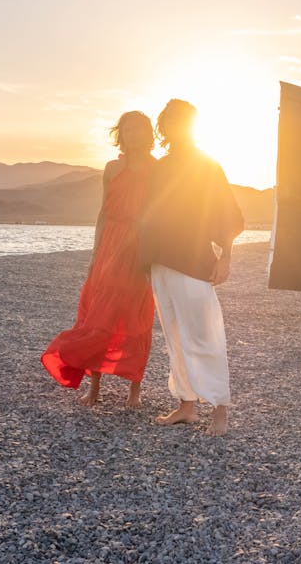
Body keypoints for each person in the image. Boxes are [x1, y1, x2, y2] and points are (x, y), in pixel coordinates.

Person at [138, 99, 244, 435]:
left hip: (193, 261)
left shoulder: (207, 166)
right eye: (169, 122)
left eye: (181, 121)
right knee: (174, 336)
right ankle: (186, 405)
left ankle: (220, 409)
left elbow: (227, 214)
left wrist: (225, 256)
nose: (174, 127)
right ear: (164, 127)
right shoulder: (160, 167)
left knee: (204, 335)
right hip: (160, 261)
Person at [41, 111, 156, 408]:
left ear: (148, 134)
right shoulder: (112, 168)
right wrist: (96, 254)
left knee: (136, 316)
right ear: (122, 134)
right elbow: (104, 213)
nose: (134, 135)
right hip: (110, 246)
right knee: (98, 317)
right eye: (128, 130)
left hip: (140, 246)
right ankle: (94, 387)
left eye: (139, 130)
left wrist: (152, 253)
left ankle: (135, 391)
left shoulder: (158, 169)